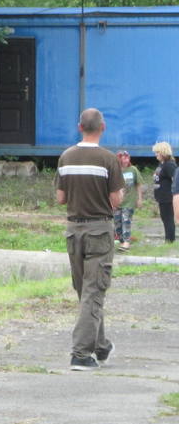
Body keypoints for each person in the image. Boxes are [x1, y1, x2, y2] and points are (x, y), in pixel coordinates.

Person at [55, 108, 124, 372]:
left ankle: (101, 346)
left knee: (85, 291)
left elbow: (61, 198)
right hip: (99, 230)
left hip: (73, 231)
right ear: (102, 128)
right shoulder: (108, 159)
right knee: (94, 291)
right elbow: (116, 200)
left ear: (79, 127)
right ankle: (81, 354)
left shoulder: (66, 157)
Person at [112, 150, 142, 251]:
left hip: (129, 201)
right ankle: (122, 241)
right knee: (117, 223)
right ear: (119, 159)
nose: (126, 160)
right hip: (117, 202)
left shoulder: (133, 170)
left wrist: (139, 199)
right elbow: (111, 187)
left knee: (126, 221)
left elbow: (138, 184)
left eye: (127, 157)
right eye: (123, 158)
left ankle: (126, 243)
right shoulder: (115, 171)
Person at [152, 141, 176, 244]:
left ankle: (170, 240)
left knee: (168, 218)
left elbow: (175, 180)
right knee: (164, 218)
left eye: (157, 152)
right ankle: (168, 238)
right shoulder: (161, 164)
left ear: (163, 152)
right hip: (161, 197)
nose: (156, 154)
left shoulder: (169, 165)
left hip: (168, 197)